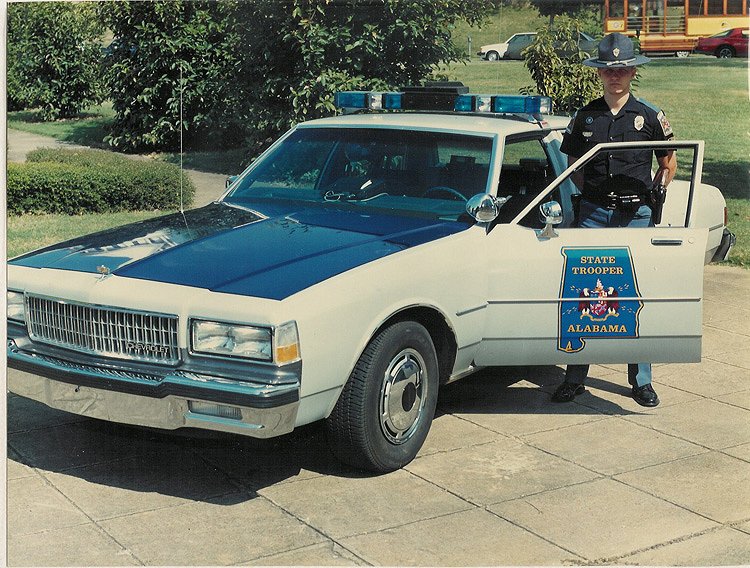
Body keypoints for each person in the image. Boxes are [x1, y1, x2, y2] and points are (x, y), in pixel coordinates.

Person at [552, 32, 676, 407]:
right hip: (592, 214)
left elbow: (668, 163)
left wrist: (655, 193)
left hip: (635, 216)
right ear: (600, 74)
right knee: (583, 294)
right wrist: (593, 194)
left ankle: (641, 380)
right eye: (608, 70)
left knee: (634, 293)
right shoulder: (585, 116)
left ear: (633, 71)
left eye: (622, 69)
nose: (615, 76)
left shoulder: (650, 116)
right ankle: (575, 378)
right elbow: (572, 165)